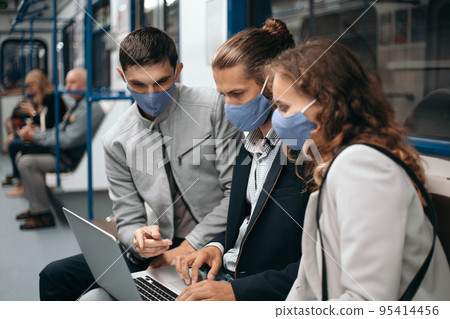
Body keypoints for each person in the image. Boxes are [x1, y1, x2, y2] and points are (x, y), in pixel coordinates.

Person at [39, 26, 242, 301]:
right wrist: (138, 239)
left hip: (215, 239)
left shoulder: (214, 107)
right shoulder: (117, 140)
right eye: (138, 84)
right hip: (162, 247)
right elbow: (126, 218)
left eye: (161, 82)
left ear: (178, 70)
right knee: (54, 276)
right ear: (122, 76)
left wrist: (190, 245)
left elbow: (236, 195)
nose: (150, 94)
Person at [268, 39, 450, 300]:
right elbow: (307, 283)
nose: (278, 119)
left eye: (284, 107)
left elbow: (366, 300)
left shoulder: (362, 167)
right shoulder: (342, 162)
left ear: (326, 103)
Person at [175, 18, 309, 301]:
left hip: (260, 293)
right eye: (223, 95)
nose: (229, 106)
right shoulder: (248, 146)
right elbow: (247, 222)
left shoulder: (305, 154)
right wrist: (216, 248)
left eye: (237, 94)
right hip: (225, 278)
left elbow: (311, 266)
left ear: (272, 87)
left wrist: (235, 292)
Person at [14, 68, 105, 230]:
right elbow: (60, 131)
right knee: (21, 155)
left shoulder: (90, 109)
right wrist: (37, 134)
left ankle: (43, 214)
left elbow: (67, 140)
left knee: (26, 162)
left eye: (72, 82)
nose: (67, 86)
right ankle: (36, 206)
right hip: (63, 153)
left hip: (69, 158)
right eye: (67, 82)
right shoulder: (78, 105)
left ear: (84, 85)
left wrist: (35, 136)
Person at [3, 69, 67, 196]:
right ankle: (21, 182)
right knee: (15, 142)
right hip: (45, 134)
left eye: (31, 86)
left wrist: (32, 113)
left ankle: (22, 184)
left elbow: (49, 123)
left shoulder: (51, 98)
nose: (29, 90)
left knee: (17, 145)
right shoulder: (41, 98)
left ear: (39, 84)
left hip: (51, 139)